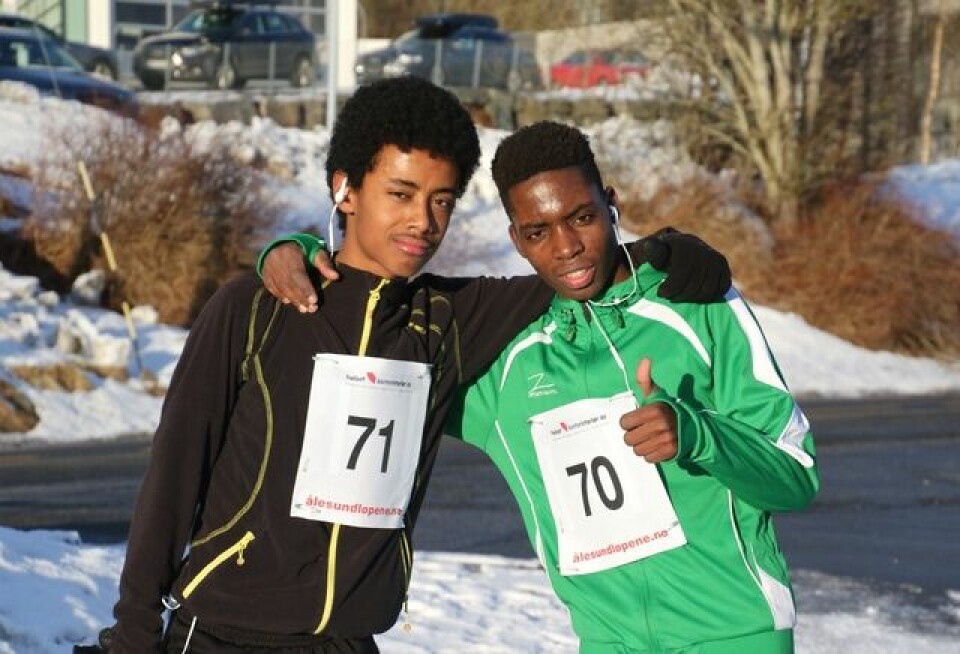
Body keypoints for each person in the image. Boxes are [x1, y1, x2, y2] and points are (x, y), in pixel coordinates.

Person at [98, 78, 730, 653]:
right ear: (344, 190)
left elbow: (566, 265)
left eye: (442, 201)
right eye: (400, 194)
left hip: (351, 639)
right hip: (218, 636)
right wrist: (132, 630)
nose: (422, 222)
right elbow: (174, 473)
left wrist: (666, 247)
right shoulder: (256, 308)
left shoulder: (449, 320)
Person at [442, 121, 819, 652]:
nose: (567, 247)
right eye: (538, 232)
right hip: (606, 641)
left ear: (610, 203)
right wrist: (291, 251)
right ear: (516, 239)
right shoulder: (510, 362)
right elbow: (374, 336)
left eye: (582, 217)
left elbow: (797, 479)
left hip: (735, 632)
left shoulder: (698, 303)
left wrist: (697, 434)